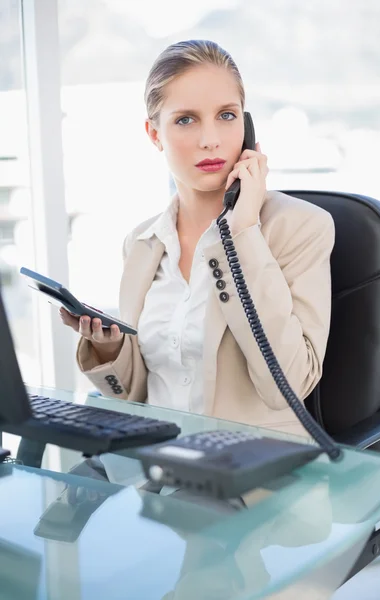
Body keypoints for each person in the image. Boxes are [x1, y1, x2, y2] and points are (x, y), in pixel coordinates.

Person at [60, 39, 335, 439]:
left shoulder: (300, 228)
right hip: (157, 473)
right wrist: (107, 350)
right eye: (186, 119)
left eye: (226, 115)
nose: (210, 139)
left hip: (256, 480)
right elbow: (138, 393)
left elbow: (288, 386)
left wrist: (243, 232)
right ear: (154, 134)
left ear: (247, 125)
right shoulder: (142, 242)